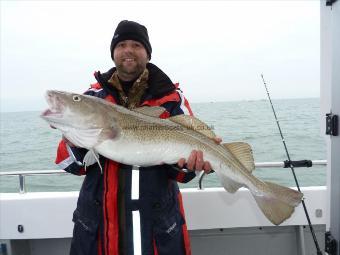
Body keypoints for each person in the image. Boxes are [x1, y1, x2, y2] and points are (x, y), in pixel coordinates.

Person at [55, 20, 219, 255]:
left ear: (147, 53)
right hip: (98, 231)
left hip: (157, 231)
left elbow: (184, 174)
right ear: (113, 52)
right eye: (121, 44)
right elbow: (70, 165)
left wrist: (189, 164)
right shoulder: (92, 98)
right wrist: (74, 140)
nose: (128, 50)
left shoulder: (172, 100)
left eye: (136, 45)